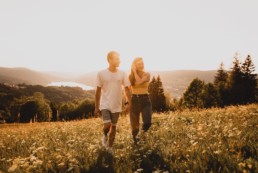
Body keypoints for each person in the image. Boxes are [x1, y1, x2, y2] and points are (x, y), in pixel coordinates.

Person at [95, 51, 131, 153]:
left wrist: (128, 103)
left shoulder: (123, 73)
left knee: (114, 127)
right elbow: (98, 91)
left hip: (117, 105)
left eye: (119, 58)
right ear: (110, 60)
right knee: (107, 125)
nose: (119, 61)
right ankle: (105, 135)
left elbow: (127, 89)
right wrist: (96, 107)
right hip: (105, 104)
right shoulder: (101, 73)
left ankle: (110, 147)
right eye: (117, 59)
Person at [129, 57, 152, 144]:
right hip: (134, 99)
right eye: (139, 64)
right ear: (135, 65)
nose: (141, 65)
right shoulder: (130, 77)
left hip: (145, 100)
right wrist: (127, 102)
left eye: (142, 63)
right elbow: (127, 88)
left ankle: (142, 135)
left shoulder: (147, 74)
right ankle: (135, 140)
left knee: (147, 122)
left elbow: (139, 82)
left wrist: (134, 72)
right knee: (134, 125)